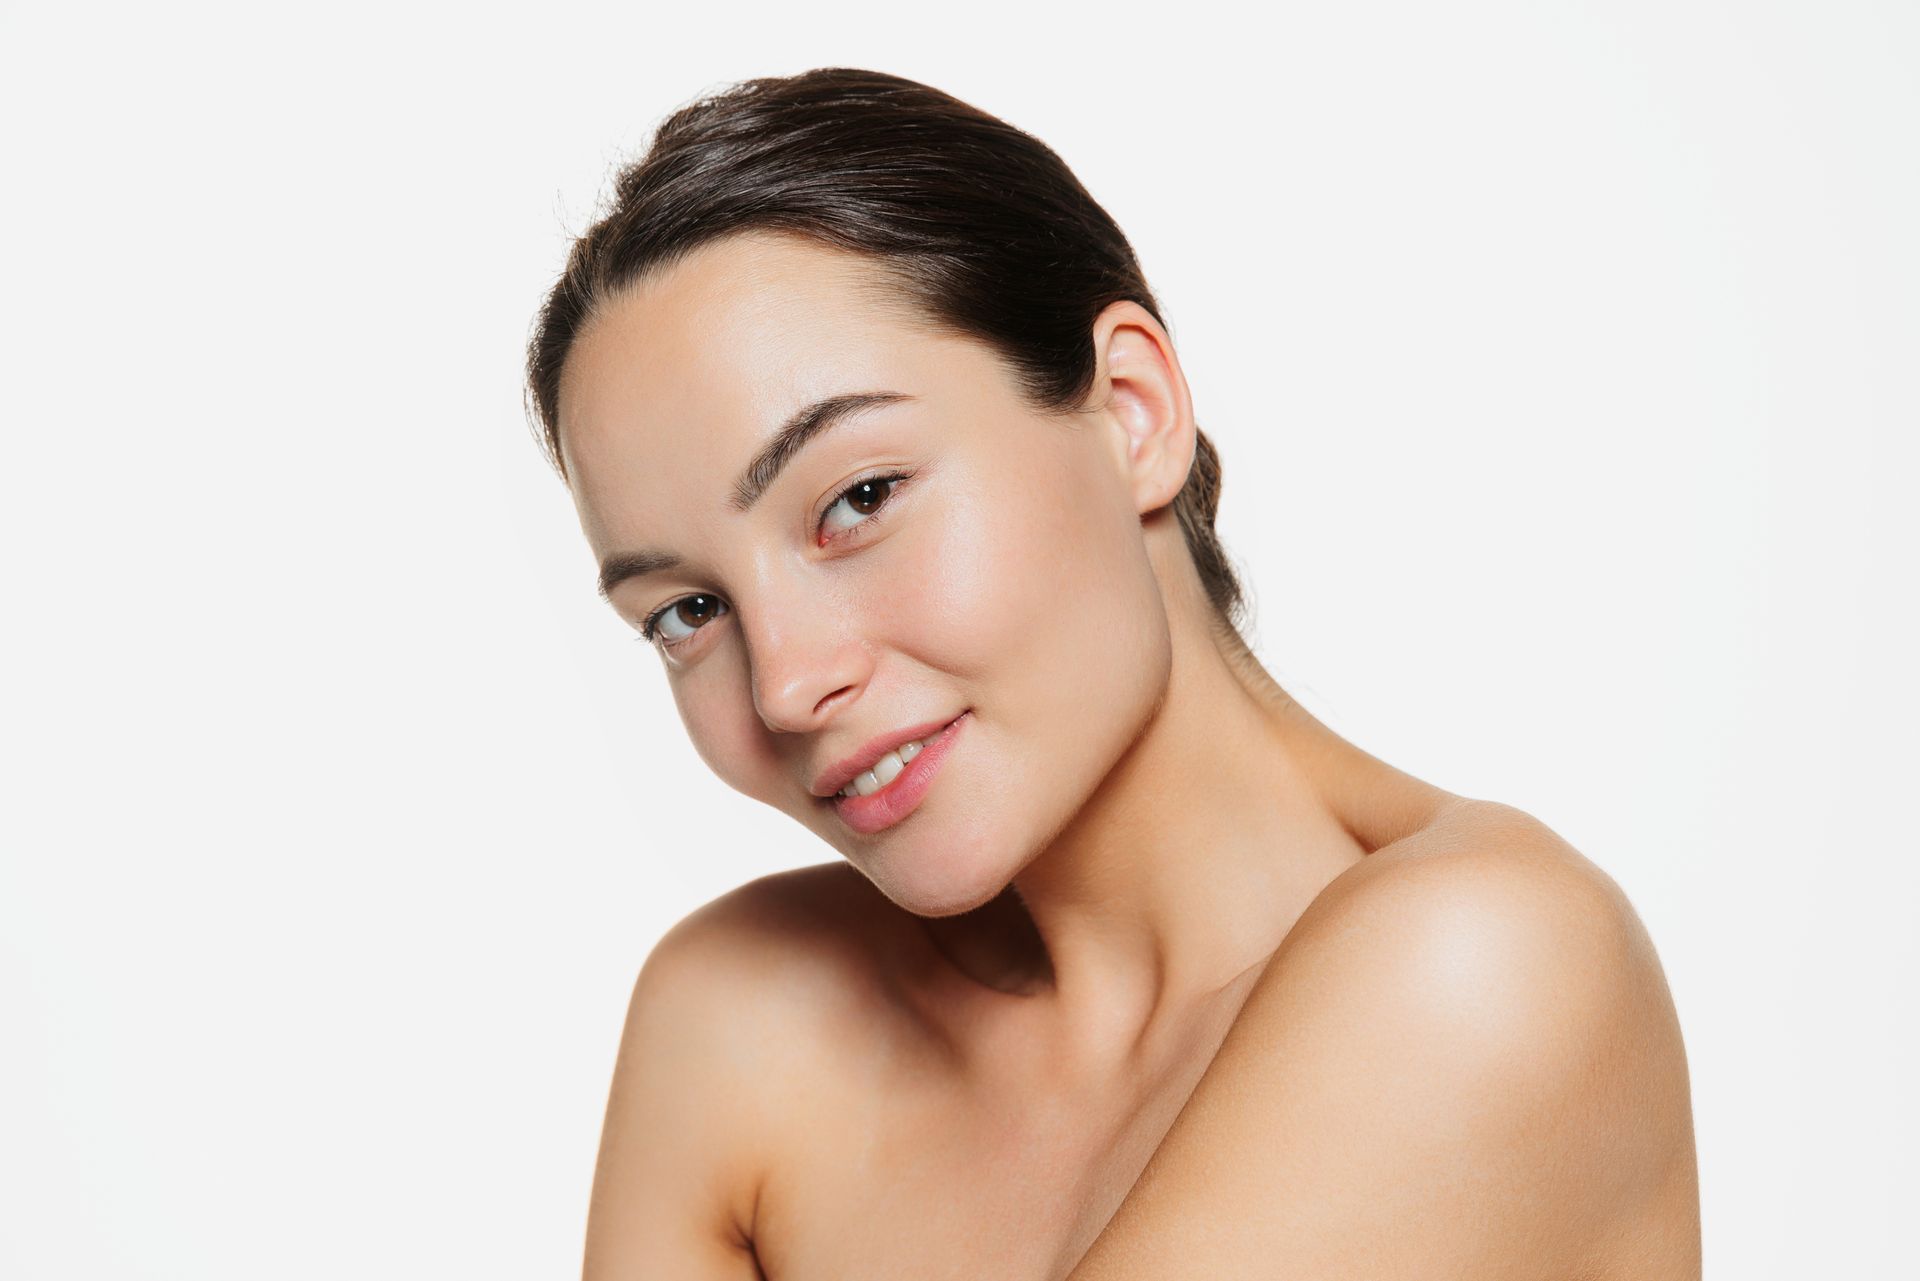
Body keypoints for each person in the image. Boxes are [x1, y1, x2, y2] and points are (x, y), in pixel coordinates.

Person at [523, 67, 1701, 1279]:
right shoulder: (739, 1023)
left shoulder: (1488, 959)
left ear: (1131, 413)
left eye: (858, 500)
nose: (784, 686)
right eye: (689, 612)